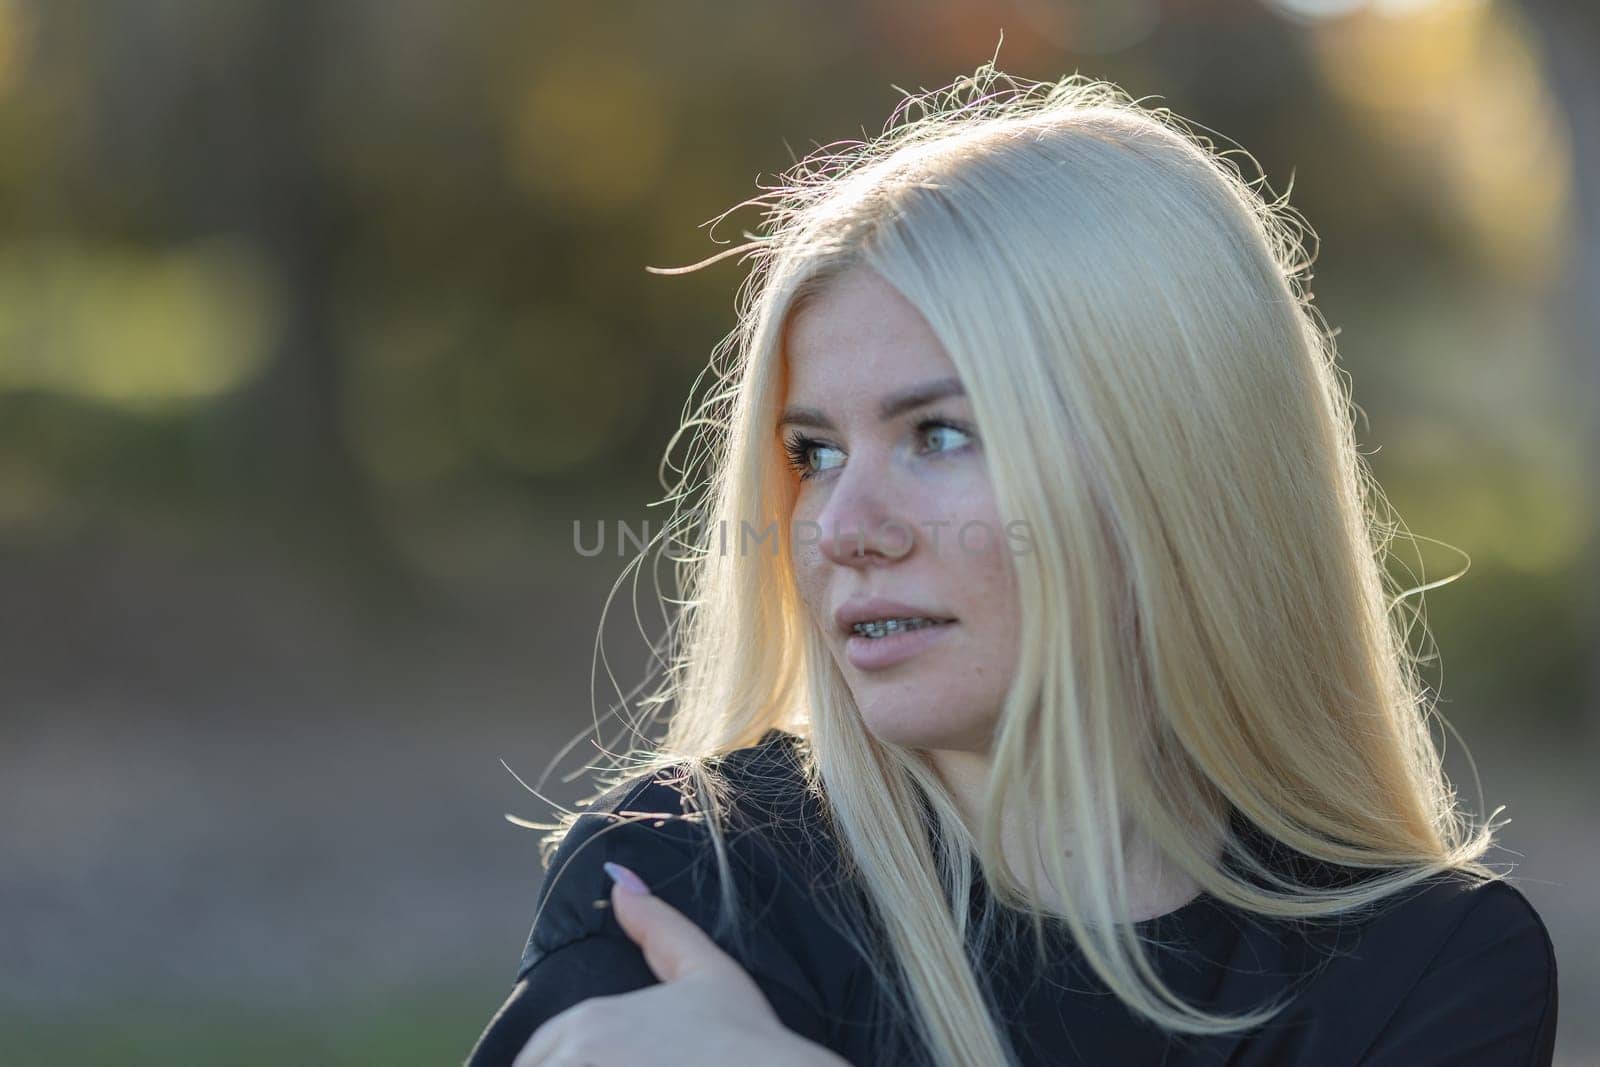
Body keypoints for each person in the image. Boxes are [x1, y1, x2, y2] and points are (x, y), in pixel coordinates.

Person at [465, 64, 1559, 1066]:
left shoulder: (1429, 965)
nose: (844, 524)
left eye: (939, 433)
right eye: (814, 452)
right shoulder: (682, 884)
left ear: (1176, 465)